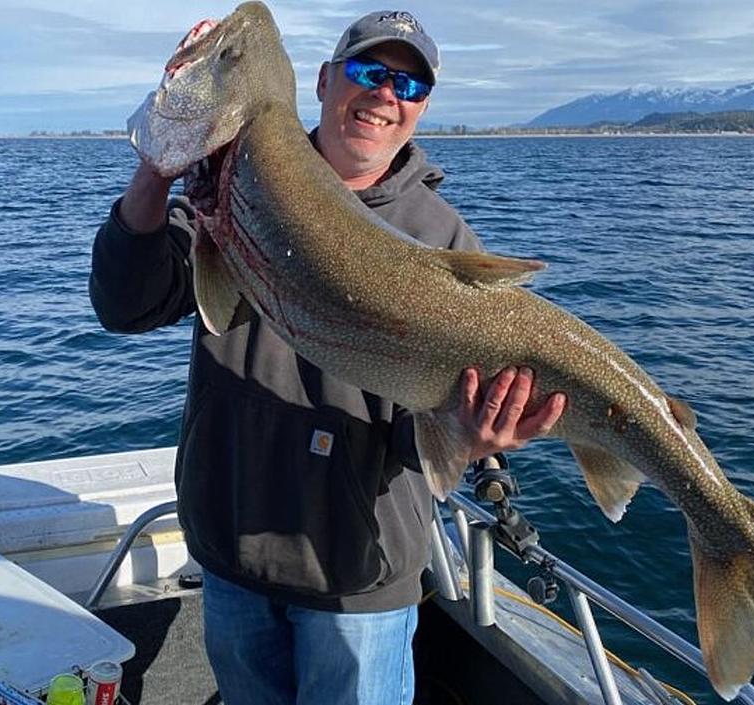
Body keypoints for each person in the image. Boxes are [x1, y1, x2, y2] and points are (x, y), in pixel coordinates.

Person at [90, 9, 566, 705]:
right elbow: (125, 306)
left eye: (408, 84)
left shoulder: (443, 238)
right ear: (321, 82)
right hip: (231, 556)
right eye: (369, 71)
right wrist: (157, 170)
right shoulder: (226, 180)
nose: (385, 94)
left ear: (422, 107)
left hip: (356, 578)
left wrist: (468, 435)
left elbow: (424, 429)